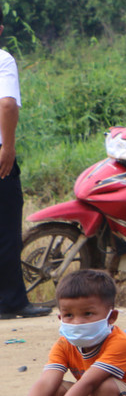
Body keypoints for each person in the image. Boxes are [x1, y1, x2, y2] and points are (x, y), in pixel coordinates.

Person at [0, 19, 42, 318]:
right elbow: (7, 105)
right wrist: (8, 147)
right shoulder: (2, 59)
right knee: (6, 230)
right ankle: (11, 301)